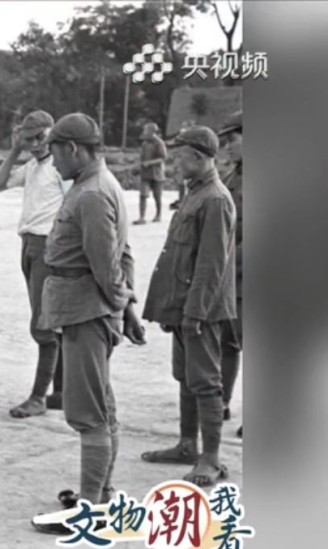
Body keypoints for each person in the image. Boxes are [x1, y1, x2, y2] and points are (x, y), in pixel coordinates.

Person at [29, 113, 146, 535]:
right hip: (90, 309)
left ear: (73, 149)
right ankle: (101, 492)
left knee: (89, 411)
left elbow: (106, 265)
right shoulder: (96, 185)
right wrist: (126, 309)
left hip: (87, 311)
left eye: (55, 151)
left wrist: (119, 306)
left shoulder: (92, 194)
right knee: (101, 404)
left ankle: (91, 509)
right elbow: (122, 255)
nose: (52, 161)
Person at [139, 126, 237, 488]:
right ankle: (186, 445)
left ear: (198, 157)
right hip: (183, 307)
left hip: (203, 311)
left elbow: (211, 266)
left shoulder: (214, 199)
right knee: (186, 378)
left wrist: (195, 313)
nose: (174, 161)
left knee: (206, 382)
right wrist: (172, 309)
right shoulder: (196, 193)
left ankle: (210, 458)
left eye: (180, 155)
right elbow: (180, 257)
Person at [0, 110, 72, 418]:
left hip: (48, 246)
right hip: (29, 246)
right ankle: (61, 391)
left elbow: (73, 205)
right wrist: (14, 150)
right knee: (50, 321)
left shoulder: (59, 167)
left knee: (44, 324)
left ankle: (39, 396)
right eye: (30, 138)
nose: (37, 144)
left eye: (41, 137)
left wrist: (58, 245)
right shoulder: (34, 165)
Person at [217, 111, 243, 437]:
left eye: (232, 140)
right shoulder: (234, 175)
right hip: (233, 277)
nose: (227, 147)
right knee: (229, 342)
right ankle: (220, 402)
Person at [134, 122, 167, 224]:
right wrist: (138, 167)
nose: (144, 132)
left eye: (146, 130)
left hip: (157, 173)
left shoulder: (159, 143)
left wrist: (150, 163)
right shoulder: (144, 144)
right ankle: (142, 217)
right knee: (143, 195)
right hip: (145, 173)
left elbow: (163, 158)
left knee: (157, 196)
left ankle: (158, 215)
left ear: (152, 131)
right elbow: (142, 158)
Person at [170, 120, 196, 211]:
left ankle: (184, 200)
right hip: (179, 165)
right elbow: (176, 156)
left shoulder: (190, 141)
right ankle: (181, 200)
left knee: (185, 185)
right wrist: (175, 167)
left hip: (186, 165)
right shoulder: (178, 146)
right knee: (180, 184)